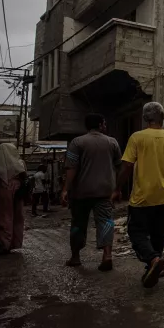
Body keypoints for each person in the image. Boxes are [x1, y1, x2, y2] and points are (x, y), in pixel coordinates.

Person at [115, 102, 164, 288]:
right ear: (162, 118)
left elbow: (127, 167)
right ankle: (155, 265)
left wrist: (116, 189)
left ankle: (153, 260)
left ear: (146, 118)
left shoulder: (137, 138)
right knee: (158, 234)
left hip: (142, 197)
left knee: (136, 232)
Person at [62, 114, 122, 271]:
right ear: (101, 125)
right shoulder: (112, 142)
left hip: (81, 192)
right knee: (106, 222)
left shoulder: (77, 142)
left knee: (78, 224)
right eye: (104, 123)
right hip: (104, 191)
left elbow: (71, 168)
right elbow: (118, 166)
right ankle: (107, 256)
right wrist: (117, 188)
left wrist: (66, 189)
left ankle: (75, 257)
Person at [0, 143, 27, 255]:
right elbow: (25, 178)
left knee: (2, 216)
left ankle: (2, 241)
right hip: (18, 190)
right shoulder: (20, 163)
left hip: (2, 190)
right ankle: (12, 242)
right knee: (17, 217)